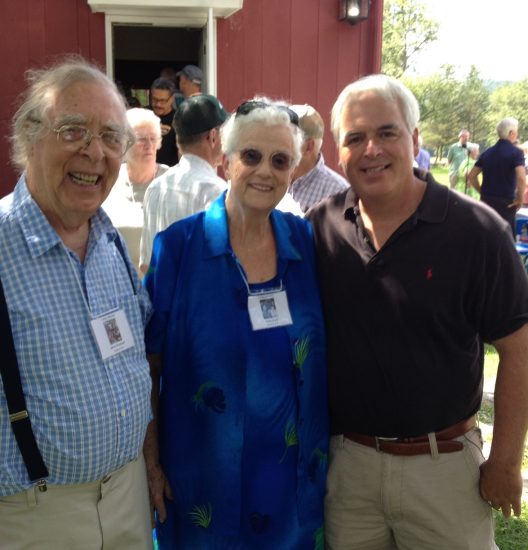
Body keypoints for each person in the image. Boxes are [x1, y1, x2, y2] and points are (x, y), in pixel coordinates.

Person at [307, 74, 528, 549]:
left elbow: (521, 349)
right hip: (349, 466)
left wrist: (506, 461)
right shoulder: (319, 228)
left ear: (415, 139)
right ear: (338, 152)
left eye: (387, 132)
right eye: (355, 137)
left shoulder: (476, 230)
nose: (371, 149)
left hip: (445, 467)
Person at [143, 98, 328, 548]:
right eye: (251, 156)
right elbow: (146, 366)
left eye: (279, 160)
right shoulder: (179, 249)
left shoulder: (306, 245)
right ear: (225, 161)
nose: (265, 170)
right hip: (200, 482)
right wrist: (150, 463)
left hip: (291, 484)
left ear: (293, 171)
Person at [0, 58, 153, 549]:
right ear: (29, 136)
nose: (94, 152)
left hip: (129, 496)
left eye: (112, 137)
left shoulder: (111, 242)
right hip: (36, 515)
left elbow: (135, 362)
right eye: (73, 131)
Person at [139, 94, 228, 274]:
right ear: (212, 137)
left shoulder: (156, 186)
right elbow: (220, 268)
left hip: (160, 298)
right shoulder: (215, 191)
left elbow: (145, 264)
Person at [102, 107, 169, 272]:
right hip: (117, 279)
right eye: (141, 139)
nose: (149, 145)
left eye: (153, 138)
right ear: (125, 143)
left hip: (160, 280)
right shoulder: (110, 180)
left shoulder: (171, 181)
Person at [468, 118, 526, 237]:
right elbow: (521, 177)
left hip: (486, 200)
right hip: (506, 203)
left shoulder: (487, 152)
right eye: (516, 131)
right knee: (506, 239)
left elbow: (472, 176)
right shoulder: (516, 153)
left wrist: (482, 191)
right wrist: (520, 199)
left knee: (486, 236)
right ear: (511, 133)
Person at [288, 104, 348, 212]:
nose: (278, 145)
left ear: (309, 147)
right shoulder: (273, 178)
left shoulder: (338, 192)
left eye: (288, 139)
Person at [150, 77, 179, 166]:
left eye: (162, 101)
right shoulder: (143, 116)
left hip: (170, 174)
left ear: (172, 99)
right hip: (144, 174)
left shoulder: (179, 119)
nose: (158, 104)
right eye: (154, 99)